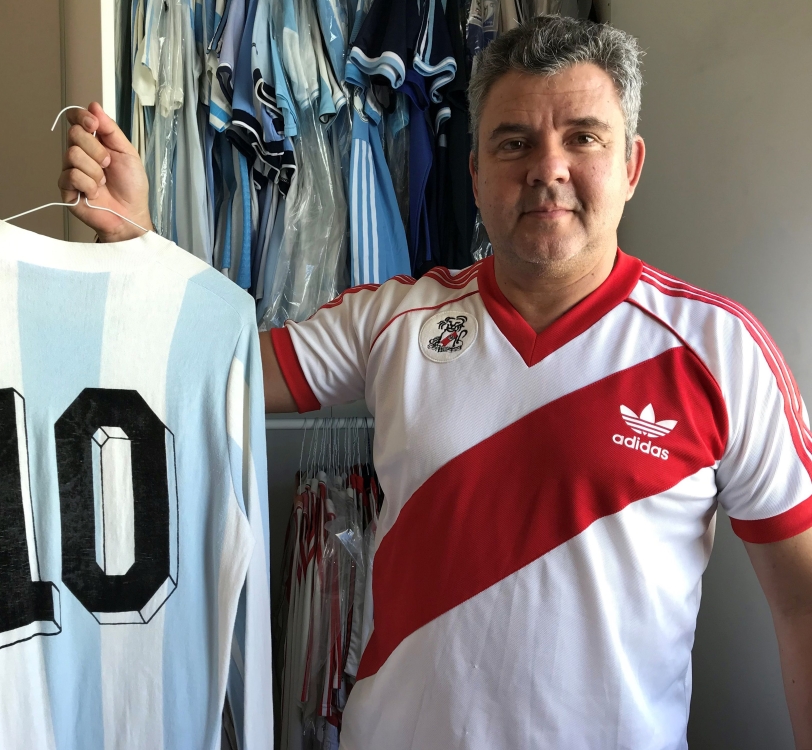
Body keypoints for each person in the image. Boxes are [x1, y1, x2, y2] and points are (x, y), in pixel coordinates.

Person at [60, 16, 812, 749]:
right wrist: (141, 245)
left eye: (583, 137)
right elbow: (210, 373)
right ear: (475, 175)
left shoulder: (721, 351)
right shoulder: (394, 319)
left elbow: (803, 606)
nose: (547, 167)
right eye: (513, 142)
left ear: (631, 165)